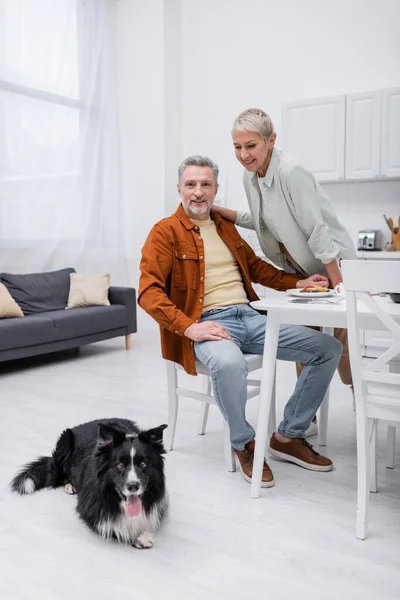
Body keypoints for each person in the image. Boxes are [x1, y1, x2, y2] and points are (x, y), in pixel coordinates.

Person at [138, 155, 342, 488]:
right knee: (231, 365)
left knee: (327, 348)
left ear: (216, 189)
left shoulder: (224, 226)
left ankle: (288, 436)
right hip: (207, 324)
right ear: (179, 189)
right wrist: (190, 327)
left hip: (250, 317)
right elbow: (148, 292)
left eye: (206, 184)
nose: (198, 192)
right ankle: (244, 443)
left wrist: (297, 283)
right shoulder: (165, 232)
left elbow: (256, 268)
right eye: (191, 184)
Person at [211, 108, 357, 413]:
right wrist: (231, 214)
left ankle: (361, 399)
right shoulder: (250, 176)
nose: (243, 154)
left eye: (251, 146)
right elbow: (267, 220)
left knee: (342, 340)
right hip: (302, 272)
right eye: (237, 147)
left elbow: (315, 229)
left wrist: (340, 282)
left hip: (333, 265)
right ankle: (307, 415)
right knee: (307, 339)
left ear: (271, 140)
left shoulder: (290, 171)